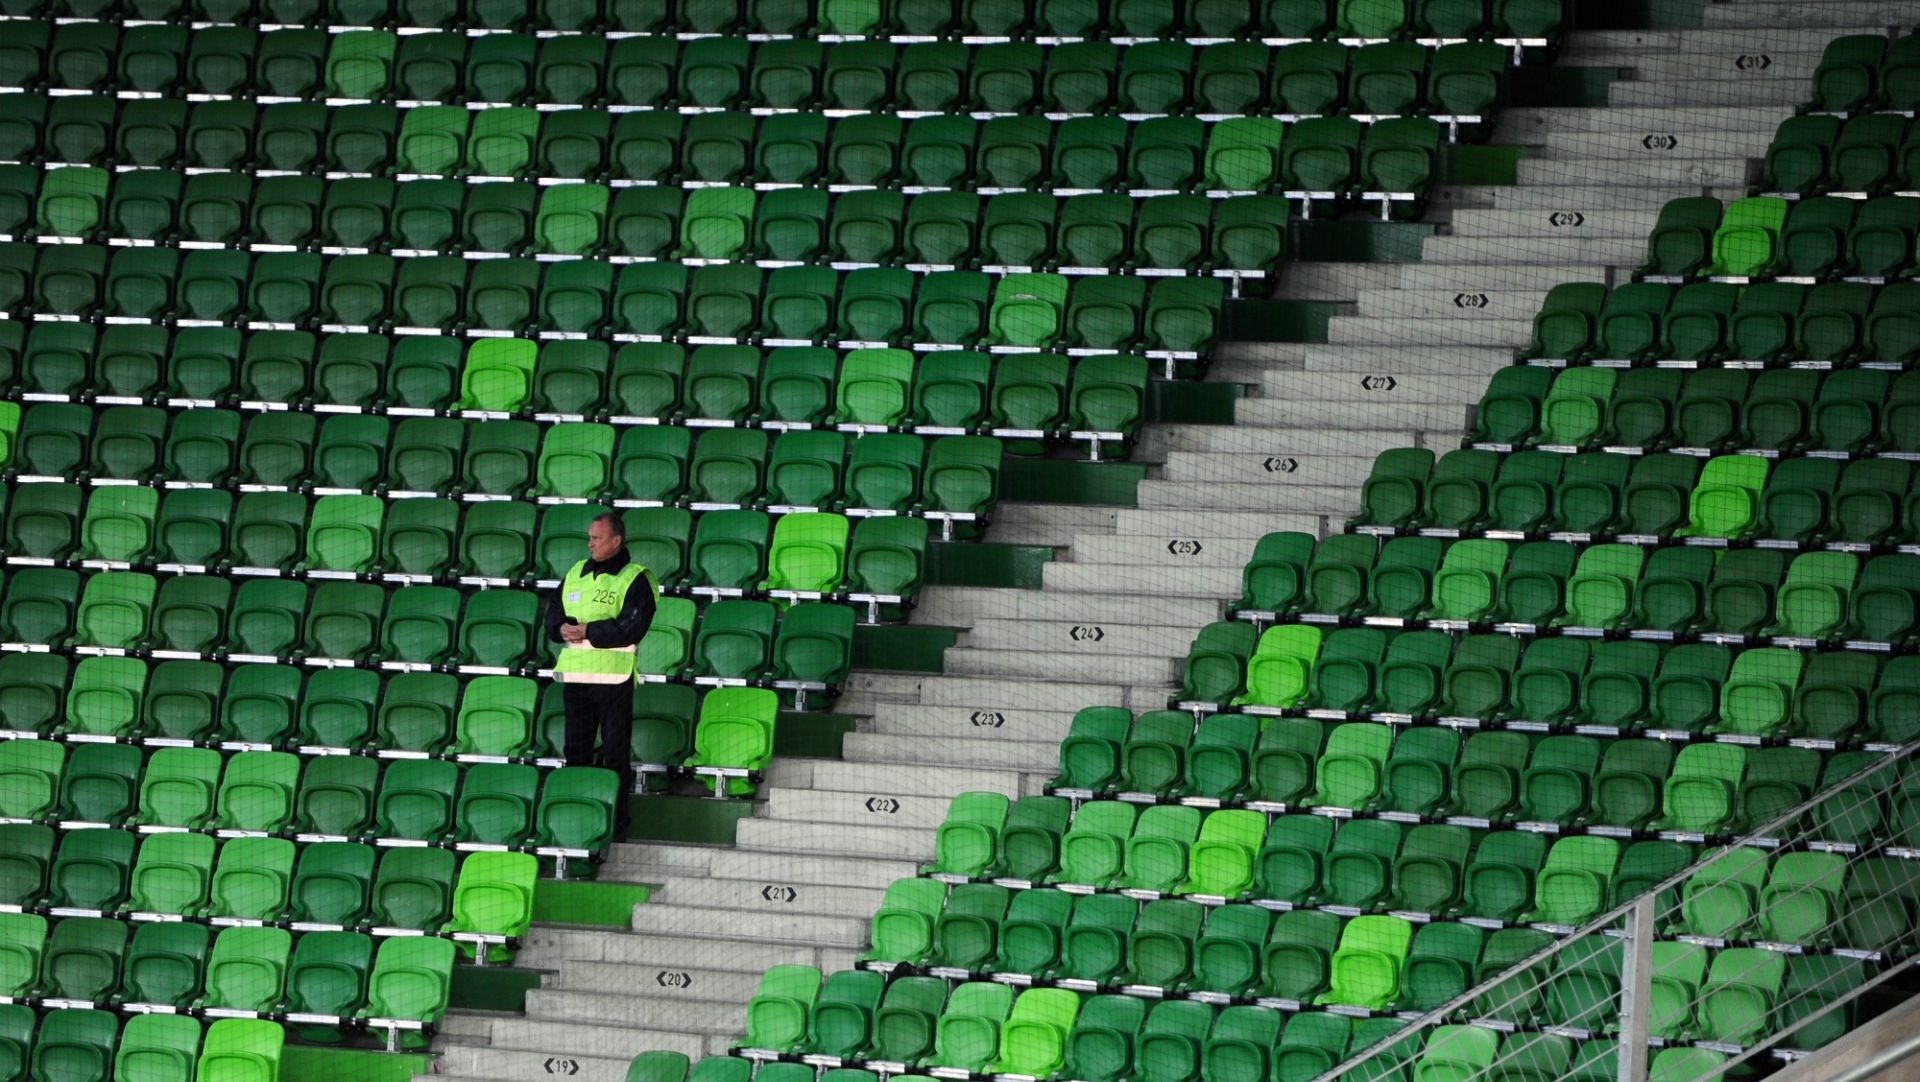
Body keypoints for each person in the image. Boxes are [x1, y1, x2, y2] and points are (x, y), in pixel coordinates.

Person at [543, 512, 657, 835]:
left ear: (616, 541)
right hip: (577, 679)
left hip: (613, 680)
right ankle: (578, 821)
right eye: (590, 537)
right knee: (575, 751)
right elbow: (553, 615)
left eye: (597, 537)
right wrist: (560, 628)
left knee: (614, 754)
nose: (590, 542)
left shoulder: (635, 579)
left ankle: (616, 824)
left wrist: (588, 630)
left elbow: (633, 626)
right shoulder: (575, 573)